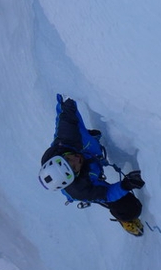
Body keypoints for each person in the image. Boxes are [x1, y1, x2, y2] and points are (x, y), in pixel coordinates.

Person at [39, 95, 145, 236]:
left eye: (68, 159)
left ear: (61, 155)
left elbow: (65, 109)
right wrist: (126, 185)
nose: (76, 160)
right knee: (129, 209)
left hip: (91, 153)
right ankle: (126, 219)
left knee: (85, 140)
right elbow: (107, 194)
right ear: (75, 176)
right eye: (74, 167)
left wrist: (68, 95)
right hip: (91, 180)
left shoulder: (66, 139)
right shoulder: (81, 189)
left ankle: (92, 140)